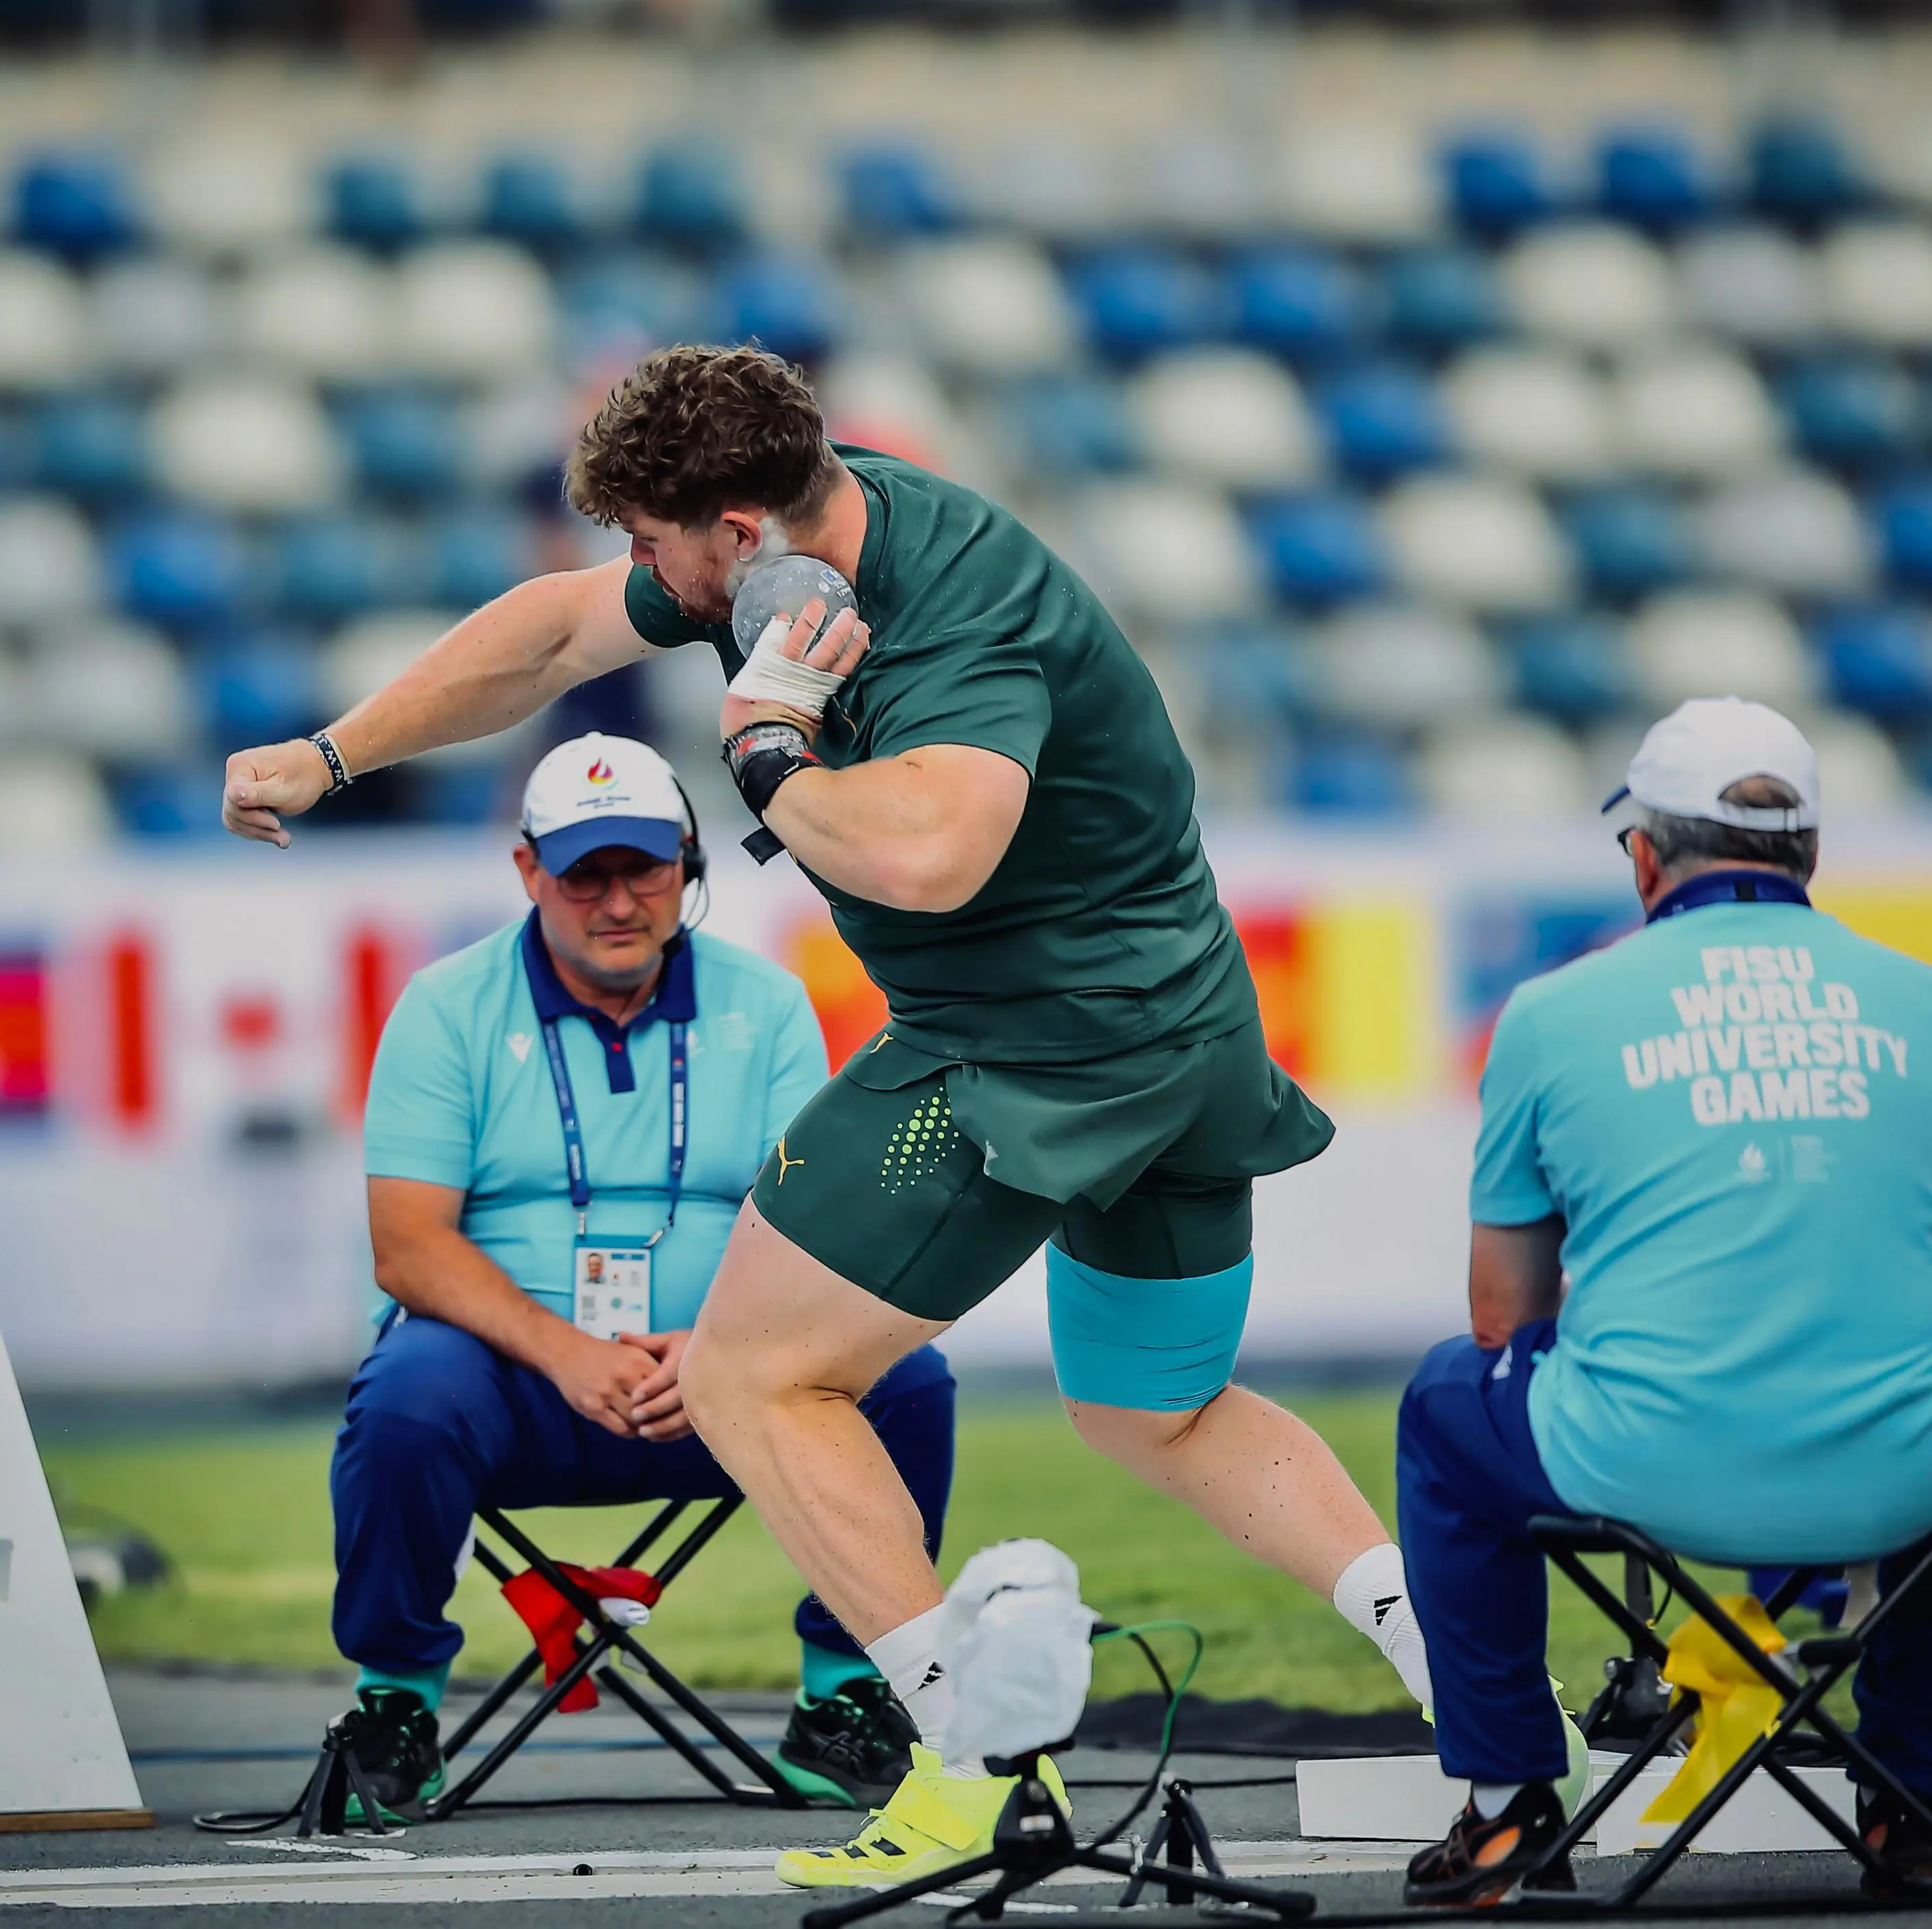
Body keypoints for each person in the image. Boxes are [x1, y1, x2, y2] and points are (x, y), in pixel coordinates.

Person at [226, 344, 1465, 1887]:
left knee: (754, 1372)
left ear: (737, 532)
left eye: (649, 546)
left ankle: (971, 1770)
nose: (635, 578)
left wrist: (765, 747)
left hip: (1021, 1049)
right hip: (1185, 1031)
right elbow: (548, 634)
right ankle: (1470, 1685)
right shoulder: (806, 547)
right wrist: (334, 752)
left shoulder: (955, 613)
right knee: (1161, 1407)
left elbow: (938, 853)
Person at [1394, 697, 1932, 1905]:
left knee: (1442, 1402)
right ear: (1811, 854)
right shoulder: (1926, 1001)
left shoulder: (1550, 1012)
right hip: (1901, 1473)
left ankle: (1507, 1811)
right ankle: (1911, 1801)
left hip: (1646, 1467)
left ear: (1643, 854)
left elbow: (1501, 1321)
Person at [326, 732, 957, 1818]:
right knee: (407, 1401)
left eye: (644, 868)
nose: (618, 901)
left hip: (731, 1384)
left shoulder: (764, 1005)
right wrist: (568, 1353)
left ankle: (846, 1693)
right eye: (585, 874)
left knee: (909, 1380)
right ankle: (397, 1702)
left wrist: (721, 1347)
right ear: (531, 874)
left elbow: (813, 1225)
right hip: (515, 1384)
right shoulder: (446, 1005)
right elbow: (409, 1246)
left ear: (691, 866)